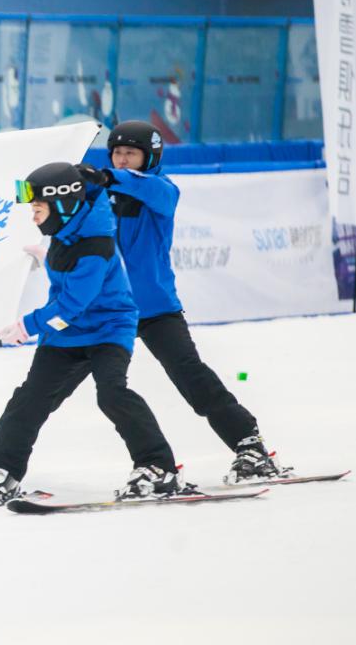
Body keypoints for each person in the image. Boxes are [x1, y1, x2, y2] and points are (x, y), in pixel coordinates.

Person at [77, 120, 290, 483]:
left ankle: (249, 445)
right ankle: (4, 460)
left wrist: (107, 177)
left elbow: (144, 186)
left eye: (130, 153)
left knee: (192, 377)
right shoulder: (100, 194)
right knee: (52, 386)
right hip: (108, 312)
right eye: (116, 153)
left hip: (156, 309)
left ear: (150, 157)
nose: (122, 159)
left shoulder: (162, 189)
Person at [0, 162, 188, 507]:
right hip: (67, 334)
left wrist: (27, 326)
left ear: (62, 205)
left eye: (38, 210)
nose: (33, 218)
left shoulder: (95, 245)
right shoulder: (68, 228)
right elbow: (69, 278)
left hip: (107, 330)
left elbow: (72, 304)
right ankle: (5, 468)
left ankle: (158, 467)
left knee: (112, 394)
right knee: (31, 398)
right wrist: (48, 258)